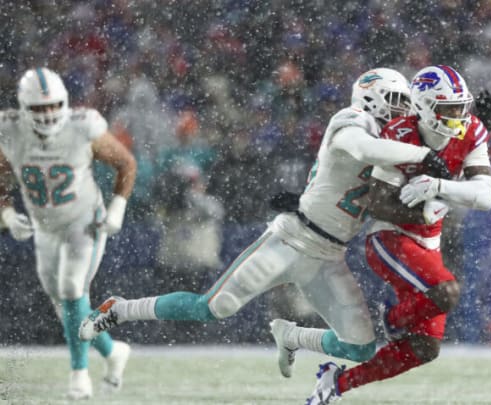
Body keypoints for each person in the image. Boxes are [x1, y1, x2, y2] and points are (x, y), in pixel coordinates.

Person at [79, 68, 454, 376]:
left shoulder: (395, 141)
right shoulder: (352, 121)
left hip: (330, 254)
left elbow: (425, 151)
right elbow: (364, 150)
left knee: (360, 347)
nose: (403, 110)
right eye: (397, 100)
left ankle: (292, 336)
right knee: (213, 307)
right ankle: (121, 309)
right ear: (371, 96)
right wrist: (422, 153)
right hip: (292, 239)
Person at [306, 65, 491, 404]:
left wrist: (439, 187)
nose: (458, 116)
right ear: (423, 106)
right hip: (389, 237)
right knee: (446, 291)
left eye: (461, 107)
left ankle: (336, 383)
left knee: (425, 349)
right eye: (448, 109)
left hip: (429, 242)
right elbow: (377, 203)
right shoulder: (399, 133)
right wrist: (424, 209)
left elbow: (486, 196)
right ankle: (390, 318)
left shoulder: (473, 130)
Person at [0, 67, 137, 399]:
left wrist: (118, 208)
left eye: (52, 106)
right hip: (45, 227)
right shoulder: (10, 130)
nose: (47, 114)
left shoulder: (82, 126)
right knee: (64, 304)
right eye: (38, 108)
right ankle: (111, 350)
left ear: (64, 102)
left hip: (83, 220)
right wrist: (5, 210)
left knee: (72, 288)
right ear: (23, 107)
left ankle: (79, 375)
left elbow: (126, 163)